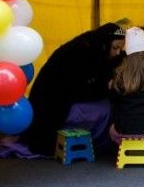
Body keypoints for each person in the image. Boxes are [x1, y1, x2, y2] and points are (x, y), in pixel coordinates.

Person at [16, 23, 126, 156]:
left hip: (63, 95)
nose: (117, 53)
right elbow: (77, 87)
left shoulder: (94, 48)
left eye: (120, 49)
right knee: (105, 108)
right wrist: (106, 89)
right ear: (105, 43)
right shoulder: (80, 51)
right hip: (50, 101)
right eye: (115, 48)